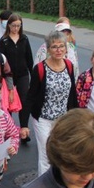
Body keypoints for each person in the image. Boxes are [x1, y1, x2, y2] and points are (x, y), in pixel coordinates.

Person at [23, 30, 77, 176]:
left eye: (61, 46)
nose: (58, 50)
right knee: (46, 155)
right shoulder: (40, 69)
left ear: (66, 49)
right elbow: (31, 97)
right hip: (43, 119)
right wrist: (23, 125)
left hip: (62, 120)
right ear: (48, 50)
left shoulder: (69, 66)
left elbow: (73, 93)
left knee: (61, 154)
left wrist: (76, 117)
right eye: (54, 47)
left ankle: (58, 184)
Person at [0, 14, 34, 140]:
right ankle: (10, 130)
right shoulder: (4, 41)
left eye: (18, 26)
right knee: (9, 102)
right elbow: (1, 60)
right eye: (13, 26)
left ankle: (24, 130)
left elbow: (29, 58)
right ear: (9, 26)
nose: (16, 28)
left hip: (23, 74)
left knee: (24, 101)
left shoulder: (24, 39)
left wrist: (32, 74)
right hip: (9, 76)